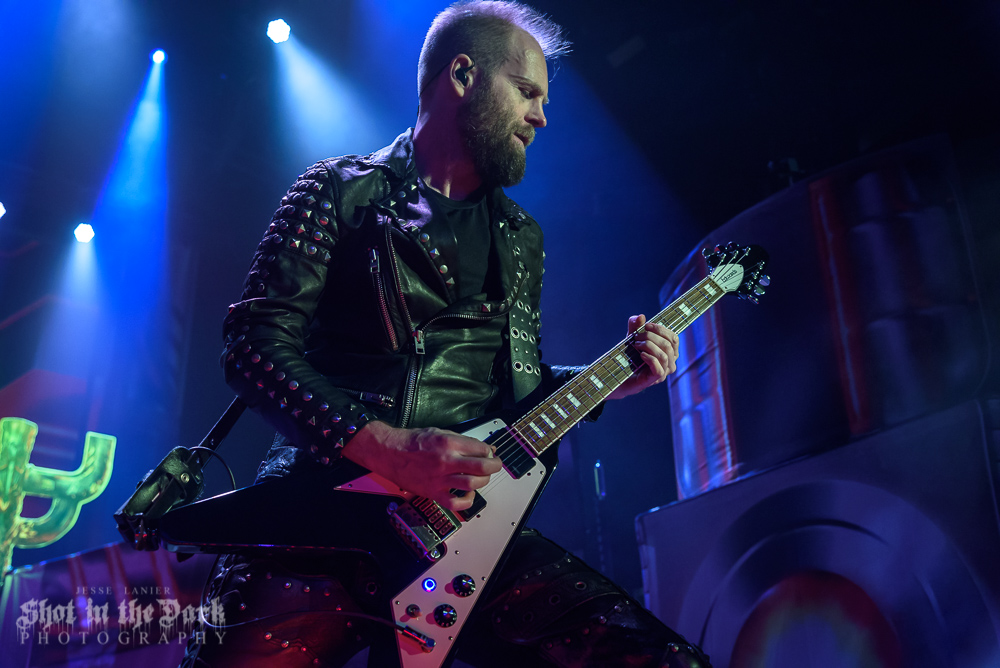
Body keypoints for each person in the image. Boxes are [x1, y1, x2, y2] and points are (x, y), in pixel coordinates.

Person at [181, 2, 710, 666]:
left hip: (460, 528)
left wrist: (611, 381)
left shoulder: (521, 239)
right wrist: (385, 448)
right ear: (463, 75)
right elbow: (253, 345)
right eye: (528, 92)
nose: (542, 117)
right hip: (316, 517)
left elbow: (515, 395)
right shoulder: (338, 191)